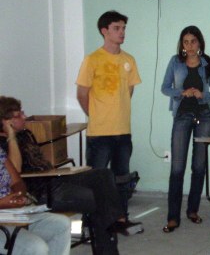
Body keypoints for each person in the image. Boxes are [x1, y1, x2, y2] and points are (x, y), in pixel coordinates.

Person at [0, 96, 138, 255]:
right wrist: (11, 136)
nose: (24, 117)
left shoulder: (26, 134)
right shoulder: (4, 143)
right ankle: (110, 241)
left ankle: (118, 219)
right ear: (5, 121)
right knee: (98, 199)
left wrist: (55, 169)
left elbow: (39, 161)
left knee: (103, 175)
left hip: (54, 177)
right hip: (41, 190)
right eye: (18, 115)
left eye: (22, 112)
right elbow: (15, 171)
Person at [76, 10, 142, 221]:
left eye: (123, 28)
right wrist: (95, 115)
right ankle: (92, 221)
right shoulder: (92, 59)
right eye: (117, 28)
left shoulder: (129, 59)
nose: (122, 32)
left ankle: (120, 217)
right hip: (100, 132)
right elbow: (82, 94)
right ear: (105, 31)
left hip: (123, 130)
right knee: (96, 178)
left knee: (122, 177)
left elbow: (129, 91)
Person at [161, 26, 210, 232]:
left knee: (198, 166)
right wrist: (182, 92)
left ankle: (192, 210)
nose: (189, 46)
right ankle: (172, 217)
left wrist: (202, 94)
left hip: (203, 116)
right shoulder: (175, 62)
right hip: (181, 116)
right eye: (185, 42)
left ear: (200, 43)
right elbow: (164, 88)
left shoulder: (208, 63)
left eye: (193, 41)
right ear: (182, 44)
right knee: (177, 168)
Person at [0, 146, 71, 255]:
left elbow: (17, 182)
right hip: (3, 219)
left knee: (61, 225)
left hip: (12, 213)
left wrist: (18, 195)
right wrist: (2, 203)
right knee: (36, 247)